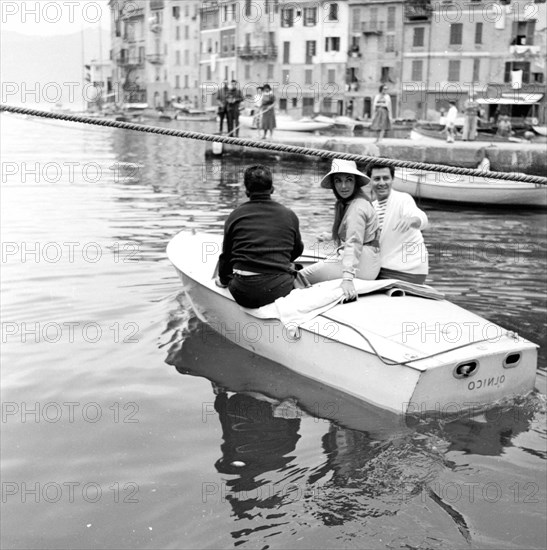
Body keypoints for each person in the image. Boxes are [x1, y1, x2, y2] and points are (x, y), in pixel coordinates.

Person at [217, 165, 304, 309]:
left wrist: (223, 280)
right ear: (272, 189)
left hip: (242, 292)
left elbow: (227, 256)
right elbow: (297, 250)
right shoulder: (289, 215)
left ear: (246, 191)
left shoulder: (235, 216)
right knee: (296, 268)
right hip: (279, 290)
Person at [300, 159, 381, 302]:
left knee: (300, 276)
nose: (343, 186)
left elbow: (354, 242)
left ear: (355, 182)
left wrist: (348, 278)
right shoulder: (352, 202)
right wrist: (330, 237)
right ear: (333, 184)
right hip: (369, 260)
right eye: (338, 181)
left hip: (363, 265)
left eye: (349, 180)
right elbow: (356, 233)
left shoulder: (357, 207)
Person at [367, 162, 429, 284]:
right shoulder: (371, 207)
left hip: (409, 270)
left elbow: (422, 218)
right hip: (384, 267)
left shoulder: (403, 199)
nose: (381, 183)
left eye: (386, 178)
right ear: (370, 181)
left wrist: (411, 220)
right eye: (376, 179)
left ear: (392, 179)